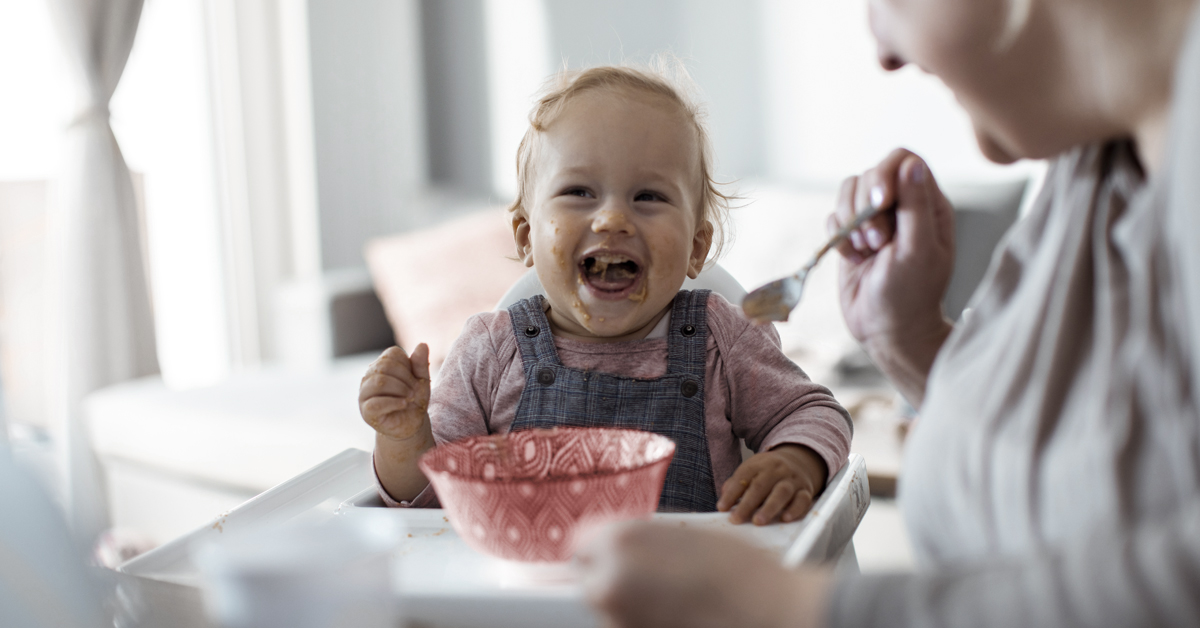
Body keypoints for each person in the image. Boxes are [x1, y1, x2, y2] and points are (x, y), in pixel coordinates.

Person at [577, 0, 1200, 626]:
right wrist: (911, 338)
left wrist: (790, 607)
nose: (884, 50)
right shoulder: (1095, 163)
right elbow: (1105, 468)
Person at [358, 65, 853, 524]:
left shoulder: (721, 340)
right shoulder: (490, 352)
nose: (613, 218)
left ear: (695, 248)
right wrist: (403, 436)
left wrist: (795, 462)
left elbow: (813, 412)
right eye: (579, 192)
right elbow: (428, 504)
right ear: (527, 237)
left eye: (648, 197)